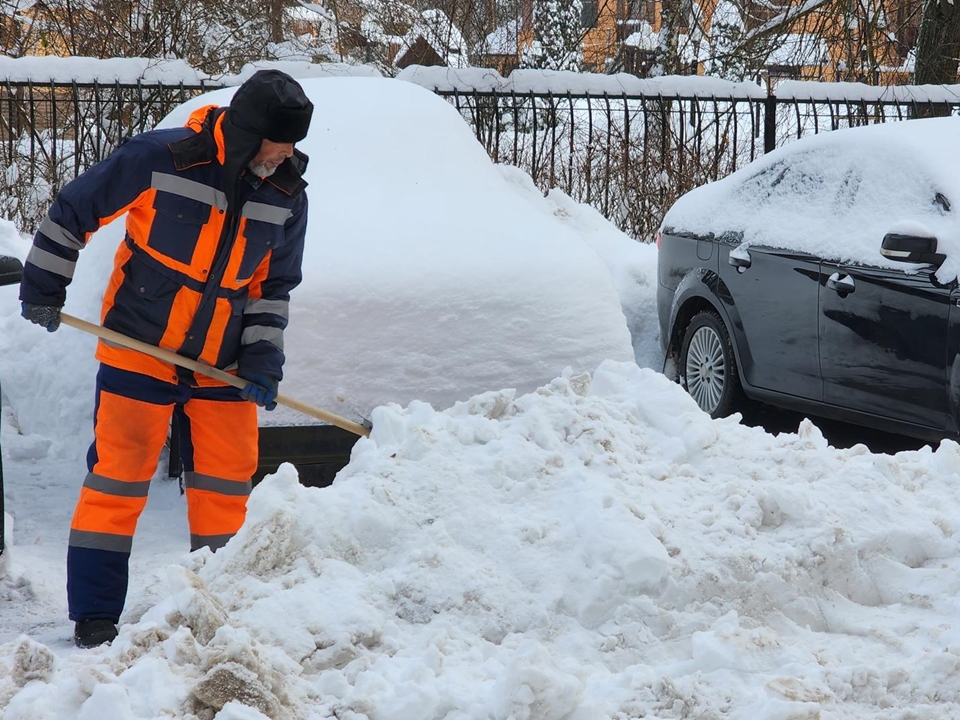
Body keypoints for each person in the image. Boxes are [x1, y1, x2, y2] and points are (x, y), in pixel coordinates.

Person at [17, 69, 314, 649]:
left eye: (291, 146)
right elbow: (76, 207)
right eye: (277, 144)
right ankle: (95, 615)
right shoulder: (163, 158)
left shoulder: (286, 194)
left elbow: (272, 287)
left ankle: (224, 603)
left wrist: (261, 360)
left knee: (227, 486)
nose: (284, 155)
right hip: (140, 344)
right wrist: (45, 285)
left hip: (223, 361)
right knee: (119, 477)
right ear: (248, 132)